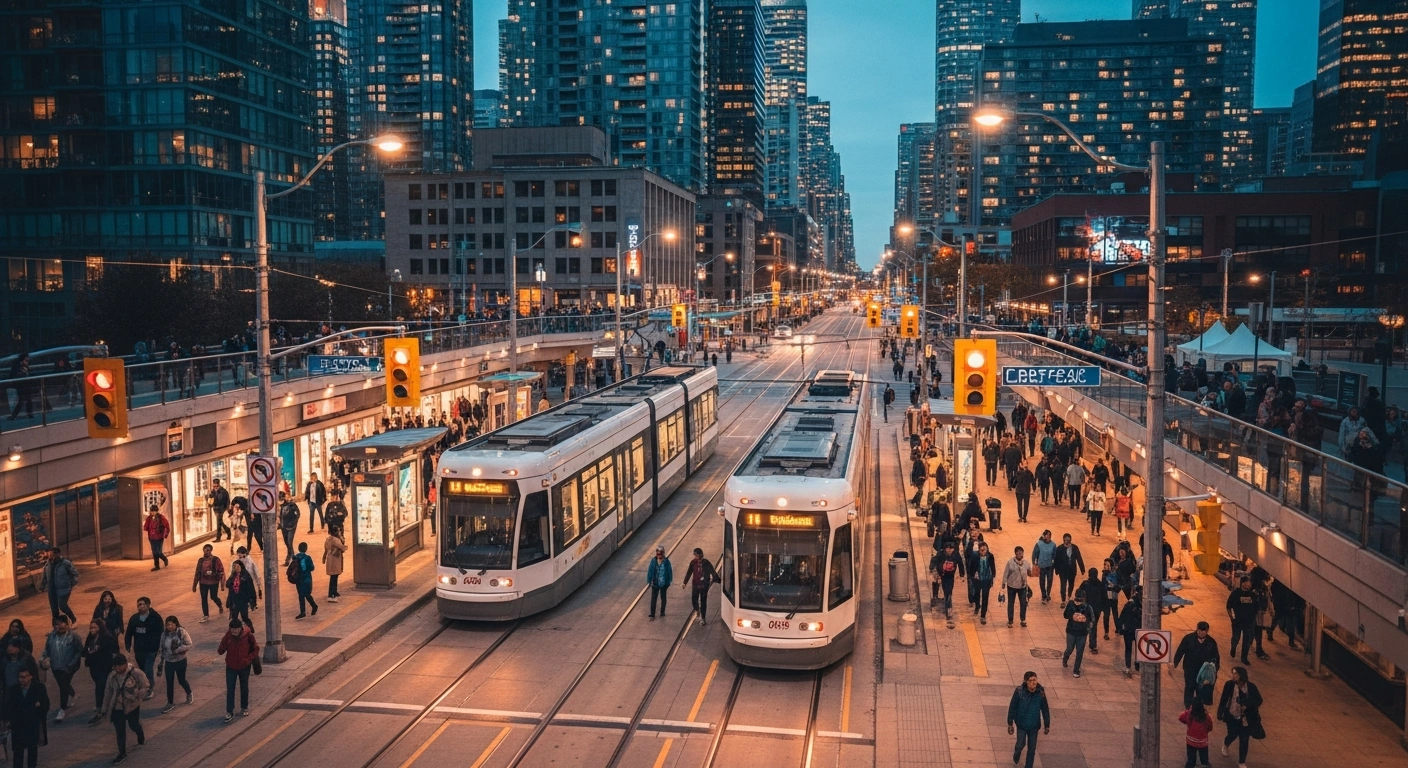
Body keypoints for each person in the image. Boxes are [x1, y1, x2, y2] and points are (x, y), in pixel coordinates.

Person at [101, 653, 149, 764]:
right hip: (117, 708)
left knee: (133, 725)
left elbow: (145, 686)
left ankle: (139, 732)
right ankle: (122, 753)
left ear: (125, 664)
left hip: (132, 707)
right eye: (115, 666)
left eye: (119, 666)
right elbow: (108, 693)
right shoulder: (112, 676)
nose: (117, 668)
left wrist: (137, 696)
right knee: (120, 732)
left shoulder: (136, 673)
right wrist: (104, 709)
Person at [1217, 666, 1263, 768]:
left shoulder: (1251, 687)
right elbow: (1224, 699)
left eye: (1236, 673)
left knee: (1244, 739)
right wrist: (1220, 713)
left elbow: (1259, 700)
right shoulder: (1229, 685)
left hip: (1246, 718)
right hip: (1232, 715)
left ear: (1242, 675)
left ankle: (1242, 761)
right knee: (1232, 734)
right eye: (1233, 673)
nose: (1233, 675)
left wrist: (1247, 705)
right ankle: (1226, 743)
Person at [40, 615, 82, 722]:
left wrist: (72, 664)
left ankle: (62, 709)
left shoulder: (74, 637)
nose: (58, 627)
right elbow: (47, 649)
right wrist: (44, 657)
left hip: (69, 667)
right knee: (63, 684)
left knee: (63, 686)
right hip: (56, 666)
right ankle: (73, 694)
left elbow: (79, 651)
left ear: (67, 624)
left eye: (60, 624)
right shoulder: (51, 637)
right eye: (56, 624)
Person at [1006, 671, 1050, 768]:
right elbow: (1013, 706)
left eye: (1035, 680)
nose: (1033, 683)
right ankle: (1017, 753)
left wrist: (1047, 724)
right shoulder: (1019, 691)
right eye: (1030, 681)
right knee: (1020, 744)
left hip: (1034, 726)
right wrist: (1010, 723)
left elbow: (1045, 708)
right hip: (1021, 724)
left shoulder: (1041, 692)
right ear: (1026, 681)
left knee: (1032, 749)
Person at [217, 620, 258, 722]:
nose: (234, 631)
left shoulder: (248, 635)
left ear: (241, 628)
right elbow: (221, 649)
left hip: (244, 666)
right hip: (231, 666)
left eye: (236, 629)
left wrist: (248, 659)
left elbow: (256, 649)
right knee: (230, 689)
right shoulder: (228, 636)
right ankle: (229, 711)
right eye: (232, 629)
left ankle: (244, 707)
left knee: (244, 686)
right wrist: (222, 648)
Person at [1173, 622, 1222, 707]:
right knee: (1189, 687)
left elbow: (1216, 656)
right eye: (1199, 630)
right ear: (1197, 629)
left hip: (1203, 671)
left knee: (1201, 689)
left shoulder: (1211, 642)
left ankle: (1198, 706)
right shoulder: (1188, 639)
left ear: (1207, 631)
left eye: (1204, 631)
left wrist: (1215, 669)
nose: (1201, 633)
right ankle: (1188, 706)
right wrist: (1175, 662)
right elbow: (1180, 650)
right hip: (1190, 669)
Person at [8, 666, 48, 768]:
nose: (23, 679)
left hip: (32, 723)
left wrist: (38, 712)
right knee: (18, 752)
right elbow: (10, 707)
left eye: (25, 676)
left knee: (32, 750)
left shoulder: (39, 688)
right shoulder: (14, 690)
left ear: (31, 677)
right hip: (18, 724)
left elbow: (45, 704)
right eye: (21, 677)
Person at [123, 597, 162, 699]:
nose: (140, 607)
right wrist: (127, 644)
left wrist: (159, 646)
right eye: (139, 605)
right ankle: (143, 685)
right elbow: (129, 633)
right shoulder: (134, 619)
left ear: (148, 605)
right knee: (142, 669)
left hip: (151, 649)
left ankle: (149, 688)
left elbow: (161, 633)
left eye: (142, 604)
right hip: (139, 649)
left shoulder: (155, 618)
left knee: (148, 668)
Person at [82, 619, 119, 725]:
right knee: (101, 687)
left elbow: (114, 650)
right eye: (91, 628)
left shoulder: (106, 637)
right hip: (94, 668)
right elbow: (85, 650)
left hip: (104, 668)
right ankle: (106, 706)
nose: (92, 630)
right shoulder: (91, 638)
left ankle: (100, 711)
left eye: (95, 627)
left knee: (100, 688)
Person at [155, 616, 193, 713]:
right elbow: (161, 647)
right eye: (168, 624)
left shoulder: (181, 632)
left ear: (176, 624)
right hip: (169, 662)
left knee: (181, 680)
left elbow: (189, 644)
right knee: (169, 682)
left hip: (180, 660)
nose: (170, 626)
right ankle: (170, 702)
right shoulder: (164, 634)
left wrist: (178, 650)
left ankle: (189, 692)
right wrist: (161, 658)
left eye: (172, 624)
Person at [681, 548, 720, 626]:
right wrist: (685, 582)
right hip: (695, 585)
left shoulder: (706, 563)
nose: (695, 557)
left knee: (703, 602)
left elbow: (713, 571)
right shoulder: (693, 563)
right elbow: (689, 572)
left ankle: (703, 618)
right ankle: (697, 609)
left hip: (704, 586)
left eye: (696, 555)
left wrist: (719, 580)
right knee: (694, 599)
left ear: (700, 555)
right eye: (695, 555)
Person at [1225, 576, 1259, 665]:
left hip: (1249, 622)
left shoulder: (1252, 595)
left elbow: (1256, 607)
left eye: (1250, 583)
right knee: (1236, 637)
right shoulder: (1236, 593)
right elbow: (1229, 606)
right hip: (1237, 621)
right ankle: (1233, 647)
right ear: (1243, 583)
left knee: (1247, 640)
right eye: (1247, 582)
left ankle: (1244, 658)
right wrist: (1232, 618)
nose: (1249, 584)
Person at [1061, 589, 1095, 677]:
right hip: (1071, 631)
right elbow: (1065, 615)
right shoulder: (1071, 604)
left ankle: (1076, 670)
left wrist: (1086, 621)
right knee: (1070, 648)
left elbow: (1092, 619)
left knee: (1080, 651)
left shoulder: (1088, 607)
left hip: (1082, 633)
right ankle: (1065, 657)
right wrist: (1073, 615)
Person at [42, 547, 80, 624]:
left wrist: (70, 584)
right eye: (51, 554)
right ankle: (56, 626)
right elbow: (45, 576)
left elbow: (75, 573)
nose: (52, 555)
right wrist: (43, 586)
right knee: (54, 609)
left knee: (62, 606)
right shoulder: (48, 564)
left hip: (63, 588)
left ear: (58, 554)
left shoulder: (65, 563)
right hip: (52, 589)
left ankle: (72, 618)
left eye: (54, 553)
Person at [929, 540, 964, 618]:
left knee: (949, 591)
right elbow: (934, 561)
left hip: (951, 575)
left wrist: (962, 575)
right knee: (946, 591)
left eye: (951, 549)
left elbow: (960, 564)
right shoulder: (941, 554)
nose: (950, 550)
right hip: (942, 575)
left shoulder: (956, 554)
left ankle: (948, 606)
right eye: (948, 549)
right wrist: (933, 570)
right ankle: (948, 606)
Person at [192, 543, 226, 623]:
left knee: (213, 597)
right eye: (204, 550)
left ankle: (219, 605)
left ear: (211, 551)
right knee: (204, 598)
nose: (206, 552)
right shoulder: (201, 560)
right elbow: (197, 572)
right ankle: (206, 615)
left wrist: (222, 584)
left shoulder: (216, 560)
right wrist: (194, 585)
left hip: (213, 582)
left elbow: (221, 571)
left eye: (207, 550)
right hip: (203, 582)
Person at [965, 541, 996, 625]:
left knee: (985, 597)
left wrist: (992, 576)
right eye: (981, 550)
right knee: (977, 594)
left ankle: (983, 615)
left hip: (986, 579)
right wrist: (972, 576)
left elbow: (993, 567)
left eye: (984, 550)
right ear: (979, 550)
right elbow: (970, 567)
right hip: (977, 580)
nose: (983, 552)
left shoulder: (990, 556)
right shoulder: (975, 556)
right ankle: (977, 605)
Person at [1002, 546, 1032, 628]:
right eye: (1018, 553)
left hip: (1022, 587)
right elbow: (1006, 573)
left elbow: (1030, 572)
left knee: (1023, 603)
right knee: (1011, 604)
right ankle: (1010, 620)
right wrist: (1003, 583)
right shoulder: (1010, 563)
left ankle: (1023, 620)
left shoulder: (1026, 563)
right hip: (1012, 586)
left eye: (1021, 553)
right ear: (1015, 553)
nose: (1020, 554)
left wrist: (1033, 572)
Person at [1179, 699, 1215, 768]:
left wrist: (1188, 711)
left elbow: (1181, 718)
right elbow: (1210, 727)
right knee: (1204, 761)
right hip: (1203, 742)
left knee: (1191, 761)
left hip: (1191, 741)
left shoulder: (1189, 715)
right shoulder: (1206, 717)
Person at [1116, 586, 1143, 676]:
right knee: (1130, 648)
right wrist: (1120, 627)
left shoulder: (1140, 604)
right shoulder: (1132, 604)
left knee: (1136, 648)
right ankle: (1130, 666)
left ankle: (1134, 665)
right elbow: (1123, 616)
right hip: (1130, 629)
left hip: (1135, 629)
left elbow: (1121, 616)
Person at [1052, 534, 1085, 606]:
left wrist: (1082, 569)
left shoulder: (1075, 548)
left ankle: (1069, 596)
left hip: (1072, 570)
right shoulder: (1060, 548)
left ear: (1070, 540)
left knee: (1071, 584)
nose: (1066, 541)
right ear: (1063, 540)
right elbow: (1056, 559)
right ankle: (1063, 600)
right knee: (1063, 585)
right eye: (1065, 540)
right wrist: (1056, 570)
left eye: (1068, 540)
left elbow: (1079, 558)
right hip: (1062, 571)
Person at [226, 560, 258, 627]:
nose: (236, 568)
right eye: (234, 567)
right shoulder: (233, 576)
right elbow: (227, 584)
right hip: (234, 600)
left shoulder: (246, 576)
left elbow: (251, 589)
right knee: (234, 617)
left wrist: (253, 601)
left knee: (244, 617)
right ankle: (233, 631)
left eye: (238, 566)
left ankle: (250, 629)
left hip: (243, 600)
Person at [291, 541, 318, 619]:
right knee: (307, 594)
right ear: (306, 549)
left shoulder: (295, 557)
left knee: (300, 595)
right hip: (306, 579)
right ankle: (314, 605)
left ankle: (302, 611)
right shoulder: (307, 558)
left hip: (298, 579)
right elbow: (312, 568)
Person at [646, 546, 672, 619]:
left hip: (664, 583)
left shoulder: (666, 562)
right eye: (658, 554)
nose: (659, 556)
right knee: (653, 598)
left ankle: (662, 612)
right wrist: (649, 580)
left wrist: (669, 581)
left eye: (660, 554)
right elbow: (650, 570)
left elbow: (669, 572)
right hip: (655, 583)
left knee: (663, 598)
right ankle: (652, 614)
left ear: (663, 553)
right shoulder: (653, 561)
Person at [143, 505, 171, 571]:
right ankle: (157, 566)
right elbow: (146, 526)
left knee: (158, 552)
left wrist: (166, 534)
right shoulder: (149, 518)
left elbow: (167, 526)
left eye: (154, 511)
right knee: (154, 552)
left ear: (156, 511)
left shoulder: (161, 517)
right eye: (152, 511)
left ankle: (164, 559)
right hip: (151, 537)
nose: (152, 512)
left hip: (159, 537)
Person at [323, 528, 347, 602]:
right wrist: (343, 541)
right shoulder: (336, 540)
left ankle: (334, 591)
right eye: (338, 531)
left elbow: (325, 549)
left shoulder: (328, 539)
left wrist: (323, 558)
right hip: (335, 560)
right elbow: (342, 548)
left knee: (334, 576)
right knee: (334, 578)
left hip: (330, 559)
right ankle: (331, 594)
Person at [1032, 531, 1056, 603]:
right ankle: (1043, 594)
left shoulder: (1053, 545)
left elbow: (1055, 555)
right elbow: (1034, 554)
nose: (1048, 537)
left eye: (1050, 535)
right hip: (1041, 566)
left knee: (1049, 580)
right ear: (1044, 536)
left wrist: (1053, 561)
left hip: (1050, 566)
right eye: (1047, 535)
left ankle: (1048, 594)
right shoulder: (1039, 544)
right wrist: (1034, 563)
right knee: (1042, 581)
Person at [278, 493, 301, 565]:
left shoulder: (291, 505)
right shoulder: (277, 507)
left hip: (291, 527)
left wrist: (293, 523)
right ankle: (288, 559)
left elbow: (297, 514)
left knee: (289, 543)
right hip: (283, 527)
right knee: (287, 543)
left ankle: (294, 560)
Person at [208, 478, 232, 543]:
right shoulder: (212, 491)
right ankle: (228, 531)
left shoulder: (223, 491)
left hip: (222, 509)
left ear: (218, 484)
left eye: (216, 486)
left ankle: (218, 537)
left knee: (218, 523)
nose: (215, 487)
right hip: (215, 509)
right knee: (221, 522)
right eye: (214, 486)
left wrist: (227, 509)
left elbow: (224, 500)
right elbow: (210, 500)